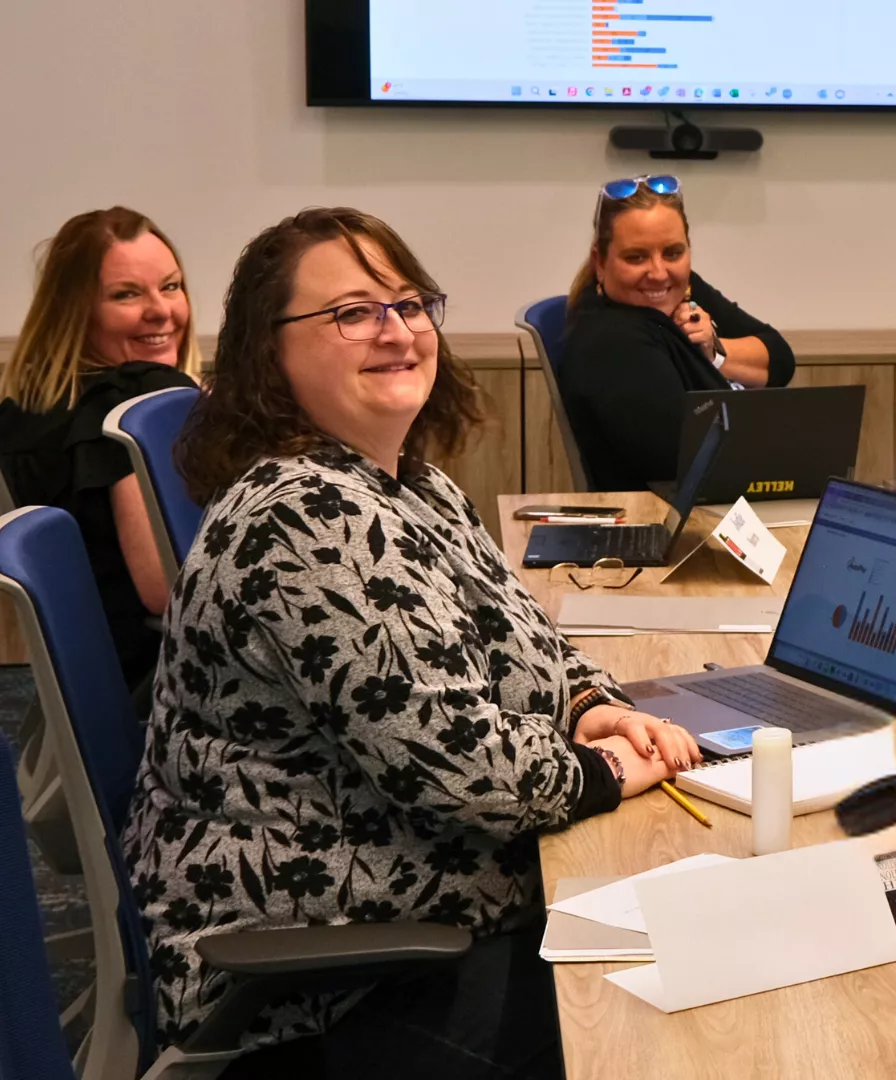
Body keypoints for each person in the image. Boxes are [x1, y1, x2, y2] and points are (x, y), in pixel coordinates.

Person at [127, 207, 703, 1078]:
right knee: (664, 1026)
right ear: (268, 354)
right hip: (327, 975)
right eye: (353, 312)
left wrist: (590, 707)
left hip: (420, 906)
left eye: (410, 304)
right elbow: (464, 771)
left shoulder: (409, 484)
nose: (397, 331)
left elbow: (529, 643)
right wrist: (616, 768)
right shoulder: (298, 518)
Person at [0, 207, 201, 692]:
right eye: (127, 294)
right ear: (77, 310)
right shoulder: (142, 402)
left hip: (86, 692)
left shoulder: (20, 412)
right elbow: (169, 588)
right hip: (171, 694)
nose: (161, 310)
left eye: (171, 287)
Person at [561, 176, 794, 490]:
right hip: (668, 519)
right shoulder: (615, 342)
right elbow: (680, 460)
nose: (658, 273)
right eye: (636, 257)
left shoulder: (683, 288)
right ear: (599, 262)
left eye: (672, 253)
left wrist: (714, 352)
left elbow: (779, 360)